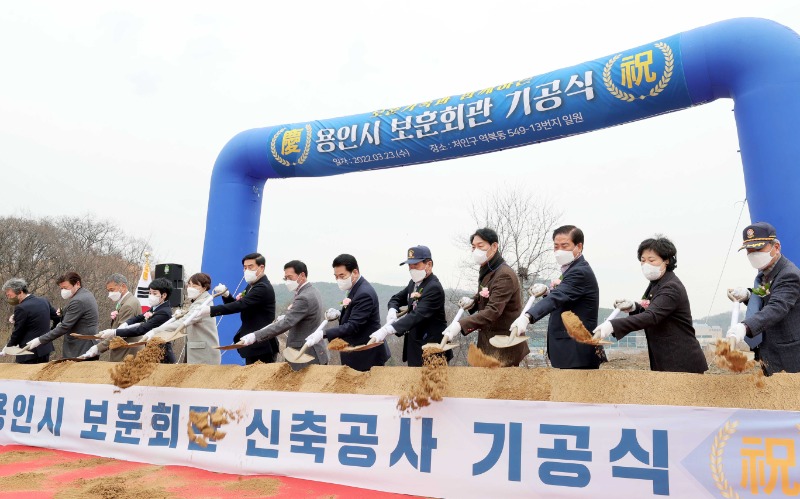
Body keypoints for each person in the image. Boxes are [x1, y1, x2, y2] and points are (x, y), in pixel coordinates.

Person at [592, 236, 708, 373]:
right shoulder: (656, 283)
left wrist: (612, 325)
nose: (646, 264)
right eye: (642, 260)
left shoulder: (671, 287)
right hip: (665, 359)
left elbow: (652, 316)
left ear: (667, 260)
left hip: (680, 361)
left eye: (651, 260)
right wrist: (634, 307)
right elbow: (653, 308)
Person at [508, 225, 603, 369]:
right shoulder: (571, 269)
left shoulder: (580, 272)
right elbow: (565, 296)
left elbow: (558, 297)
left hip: (576, 352)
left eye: (565, 246)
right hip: (568, 351)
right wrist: (547, 291)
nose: (559, 251)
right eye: (556, 246)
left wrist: (528, 316)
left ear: (579, 246)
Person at [443, 228, 529, 367]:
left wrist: (461, 324)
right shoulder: (489, 269)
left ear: (494, 246)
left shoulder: (504, 275)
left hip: (503, 344)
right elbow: (488, 291)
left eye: (480, 246)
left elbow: (493, 310)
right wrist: (474, 300)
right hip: (488, 342)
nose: (476, 250)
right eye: (473, 247)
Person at [726, 222, 800, 375]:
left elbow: (776, 307)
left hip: (790, 357)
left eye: (758, 249)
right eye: (749, 250)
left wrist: (745, 327)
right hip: (769, 353)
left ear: (776, 247)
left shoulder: (789, 275)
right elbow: (766, 294)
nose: (754, 254)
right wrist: (748, 295)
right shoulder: (765, 274)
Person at [305, 254, 389, 372]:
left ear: (354, 272)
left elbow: (353, 325)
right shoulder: (355, 288)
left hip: (365, 355)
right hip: (355, 355)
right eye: (336, 276)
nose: (338, 280)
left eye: (342, 276)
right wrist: (340, 313)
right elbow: (355, 311)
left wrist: (323, 334)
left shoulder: (364, 293)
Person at [238, 260, 328, 370]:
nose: (287, 281)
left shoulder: (304, 297)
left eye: (290, 277)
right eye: (286, 278)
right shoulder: (312, 291)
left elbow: (287, 323)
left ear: (302, 275)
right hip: (313, 350)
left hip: (305, 353)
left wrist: (255, 336)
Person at [370, 245, 451, 367]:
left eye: (416, 265)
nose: (412, 269)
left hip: (432, 348)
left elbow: (416, 315)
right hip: (414, 347)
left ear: (429, 264)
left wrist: (388, 329)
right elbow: (396, 298)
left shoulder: (433, 288)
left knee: (432, 384)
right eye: (410, 266)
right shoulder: (414, 283)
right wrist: (392, 310)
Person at [199, 252, 278, 365]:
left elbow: (241, 305)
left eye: (250, 267)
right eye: (245, 268)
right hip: (253, 344)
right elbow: (241, 304)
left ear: (261, 268)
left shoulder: (262, 287)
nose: (246, 271)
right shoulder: (252, 285)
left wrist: (211, 310)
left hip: (262, 344)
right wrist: (226, 295)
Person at [90, 277, 176, 363]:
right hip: (152, 353)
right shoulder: (155, 308)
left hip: (162, 356)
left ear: (164, 295)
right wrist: (126, 323)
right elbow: (139, 317)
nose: (151, 296)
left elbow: (141, 329)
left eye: (154, 293)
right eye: (150, 293)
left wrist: (115, 332)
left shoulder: (164, 312)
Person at [147, 272, 220, 364]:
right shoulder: (197, 301)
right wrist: (182, 313)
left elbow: (185, 321)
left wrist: (155, 331)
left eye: (195, 286)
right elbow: (187, 316)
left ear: (204, 288)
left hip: (203, 355)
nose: (190, 288)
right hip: (195, 352)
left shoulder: (203, 303)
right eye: (189, 285)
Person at [26, 272, 98, 359]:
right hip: (86, 344)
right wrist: (63, 311)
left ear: (77, 284)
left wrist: (40, 340)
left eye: (65, 287)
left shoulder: (78, 300)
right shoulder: (86, 294)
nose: (63, 291)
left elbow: (64, 327)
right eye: (61, 288)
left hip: (81, 347)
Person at [2, 278, 56, 363]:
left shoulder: (21, 308)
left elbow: (18, 332)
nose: (9, 298)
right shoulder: (43, 301)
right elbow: (57, 318)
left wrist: (8, 348)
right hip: (45, 349)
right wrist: (51, 332)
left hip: (28, 353)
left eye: (10, 295)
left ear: (20, 292)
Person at [95, 273, 144, 361]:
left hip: (127, 354)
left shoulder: (128, 305)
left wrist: (98, 348)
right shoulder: (124, 302)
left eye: (112, 290)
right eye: (108, 291)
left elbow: (121, 333)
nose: (110, 294)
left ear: (123, 287)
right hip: (125, 351)